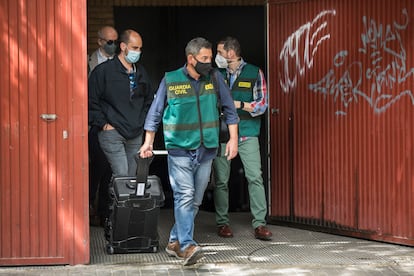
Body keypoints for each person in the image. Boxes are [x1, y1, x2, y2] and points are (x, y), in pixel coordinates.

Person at [139, 37, 239, 266]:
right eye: (204, 59)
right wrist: (148, 142)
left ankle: (175, 241)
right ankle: (187, 245)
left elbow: (229, 110)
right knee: (184, 196)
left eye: (210, 57)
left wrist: (232, 139)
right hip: (180, 149)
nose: (209, 62)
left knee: (195, 201)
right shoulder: (171, 80)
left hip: (206, 150)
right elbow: (155, 113)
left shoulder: (214, 78)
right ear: (191, 59)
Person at [213, 36, 272, 240]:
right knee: (221, 180)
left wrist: (239, 105)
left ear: (230, 54)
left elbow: (262, 105)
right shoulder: (215, 74)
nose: (216, 57)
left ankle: (260, 224)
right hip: (221, 134)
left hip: (247, 133)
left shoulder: (254, 73)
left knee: (255, 177)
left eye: (219, 52)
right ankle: (222, 223)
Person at [89, 29, 154, 179]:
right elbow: (91, 100)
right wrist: (104, 124)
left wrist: (142, 122)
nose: (138, 52)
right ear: (123, 46)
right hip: (112, 132)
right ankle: (112, 203)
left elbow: (149, 100)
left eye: (140, 48)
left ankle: (123, 203)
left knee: (133, 177)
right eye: (135, 48)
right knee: (122, 176)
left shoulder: (141, 72)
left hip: (135, 133)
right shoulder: (103, 71)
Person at [87, 25, 118, 226]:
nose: (113, 45)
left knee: (108, 171)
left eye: (115, 41)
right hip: (93, 125)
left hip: (113, 126)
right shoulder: (88, 63)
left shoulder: (119, 64)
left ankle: (103, 213)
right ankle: (87, 208)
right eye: (109, 42)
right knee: (93, 170)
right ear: (99, 41)